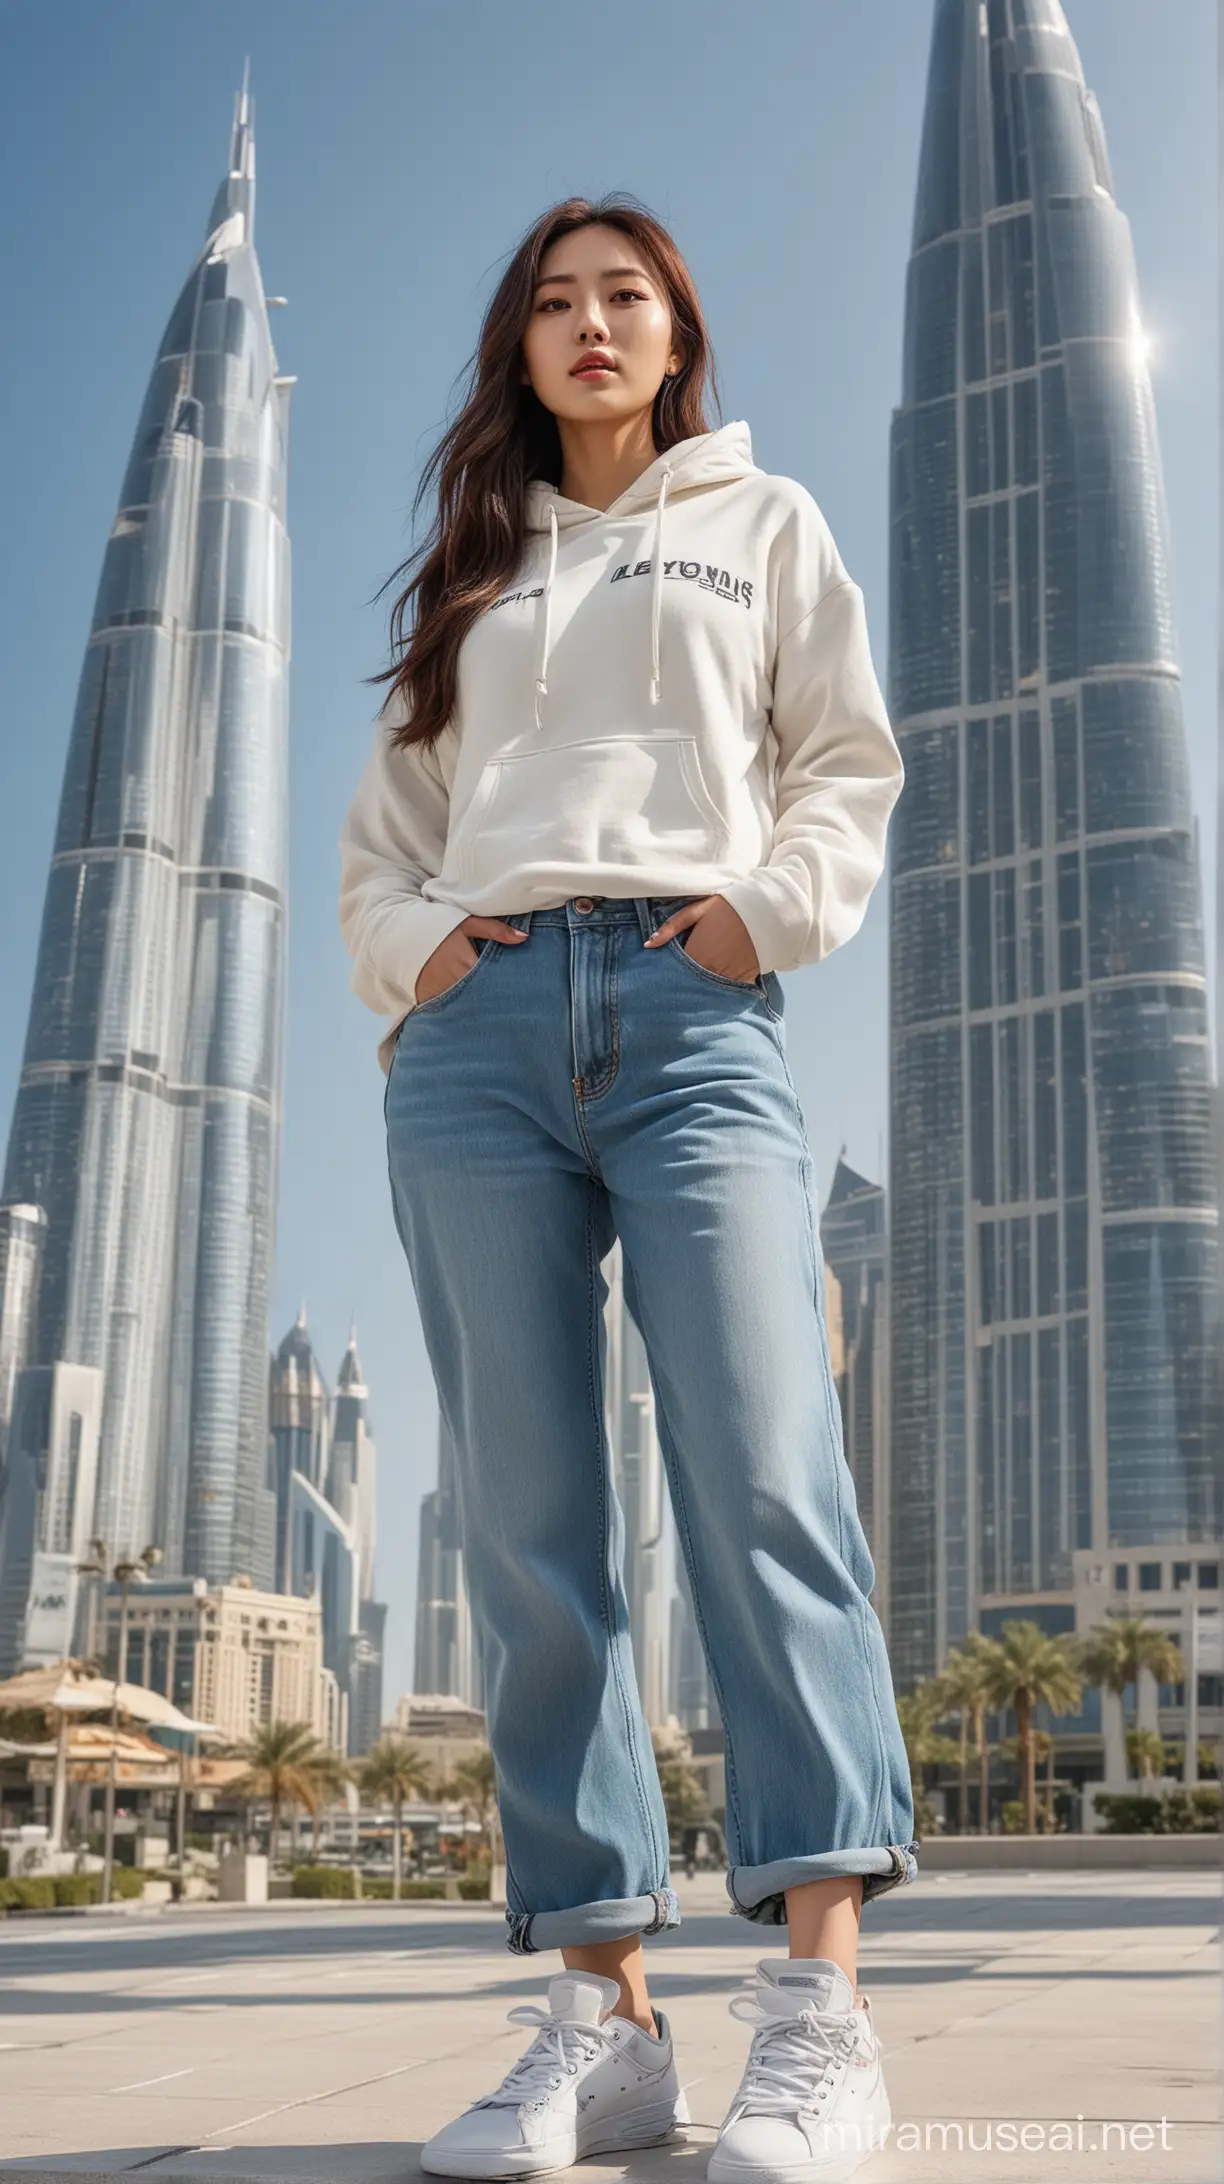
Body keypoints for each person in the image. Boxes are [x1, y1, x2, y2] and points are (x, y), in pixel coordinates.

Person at [338, 193, 917, 2183]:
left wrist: (755, 923)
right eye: (555, 304)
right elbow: (387, 831)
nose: (592, 326)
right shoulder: (477, 572)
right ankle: (601, 2019)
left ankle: (823, 2014)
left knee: (765, 1480)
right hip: (479, 1043)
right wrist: (419, 960)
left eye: (629, 298)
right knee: (529, 1527)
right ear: (520, 349)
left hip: (693, 1017)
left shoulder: (765, 526)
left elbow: (850, 758)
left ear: (680, 337)